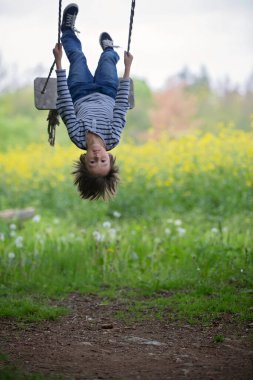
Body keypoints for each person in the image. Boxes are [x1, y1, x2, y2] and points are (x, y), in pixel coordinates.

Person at [53, 3, 133, 200]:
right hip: (107, 90)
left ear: (84, 159)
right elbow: (121, 107)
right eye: (103, 160)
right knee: (107, 60)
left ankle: (68, 30)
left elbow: (65, 102)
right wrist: (127, 69)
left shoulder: (77, 136)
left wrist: (59, 63)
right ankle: (109, 50)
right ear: (110, 157)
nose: (97, 156)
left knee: (78, 57)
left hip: (79, 91)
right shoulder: (112, 137)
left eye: (92, 162)